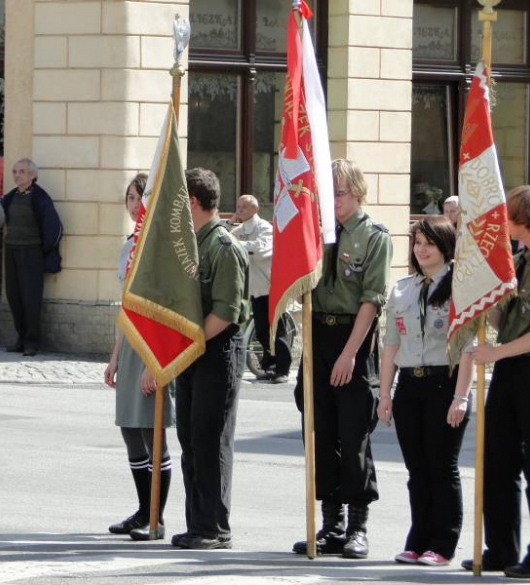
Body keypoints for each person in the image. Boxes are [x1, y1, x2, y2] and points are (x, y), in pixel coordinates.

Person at [292, 159, 393, 559]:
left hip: (354, 336)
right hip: (318, 332)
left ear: (357, 192)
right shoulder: (317, 234)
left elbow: (372, 300)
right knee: (318, 432)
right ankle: (330, 524)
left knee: (353, 436)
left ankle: (357, 526)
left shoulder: (373, 236)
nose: (332, 201)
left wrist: (350, 354)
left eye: (339, 193)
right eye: (326, 193)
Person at [149, 167, 248, 550]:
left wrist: (186, 346)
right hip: (192, 349)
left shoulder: (222, 247)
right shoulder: (191, 244)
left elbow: (225, 312)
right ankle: (197, 523)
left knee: (211, 439)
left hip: (216, 349)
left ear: (192, 201)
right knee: (190, 438)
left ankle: (214, 526)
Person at [378, 216, 473, 566]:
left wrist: (461, 396)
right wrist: (385, 393)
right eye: (417, 243)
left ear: (445, 247)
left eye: (429, 243)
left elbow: (468, 347)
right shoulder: (403, 288)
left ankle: (443, 544)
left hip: (444, 383)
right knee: (417, 469)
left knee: (441, 467)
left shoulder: (461, 286)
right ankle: (418, 539)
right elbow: (390, 345)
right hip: (410, 385)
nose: (421, 250)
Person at [466, 185, 530, 578]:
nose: (500, 221)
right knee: (497, 460)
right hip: (510, 367)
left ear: (523, 216)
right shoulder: (519, 260)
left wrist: (495, 354)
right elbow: (504, 321)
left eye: (505, 213)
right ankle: (500, 548)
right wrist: (486, 301)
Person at [104, 174, 175, 541]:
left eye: (140, 197)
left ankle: (156, 518)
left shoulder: (160, 249)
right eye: (131, 198)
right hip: (129, 342)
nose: (135, 205)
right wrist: (115, 355)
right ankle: (141, 508)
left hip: (153, 346)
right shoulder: (128, 246)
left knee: (153, 433)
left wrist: (154, 362)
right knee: (131, 430)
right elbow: (125, 307)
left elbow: (164, 308)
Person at [0, 158, 63, 356]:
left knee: (30, 299)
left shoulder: (40, 197)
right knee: (14, 296)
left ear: (33, 175)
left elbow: (54, 229)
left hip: (31, 253)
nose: (17, 175)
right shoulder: (10, 197)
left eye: (22, 172)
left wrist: (40, 251)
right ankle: (21, 338)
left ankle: (32, 342)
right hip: (11, 252)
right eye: (15, 172)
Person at [230, 194, 293, 383]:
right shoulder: (239, 229)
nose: (239, 210)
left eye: (244, 207)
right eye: (238, 206)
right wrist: (230, 223)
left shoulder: (264, 228)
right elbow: (223, 237)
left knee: (278, 329)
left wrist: (236, 244)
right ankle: (269, 366)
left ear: (255, 209)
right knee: (262, 330)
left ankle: (282, 369)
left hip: (272, 286)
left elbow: (260, 249)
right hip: (255, 288)